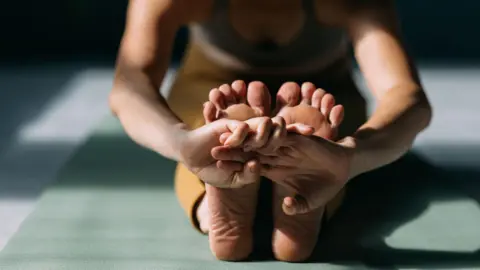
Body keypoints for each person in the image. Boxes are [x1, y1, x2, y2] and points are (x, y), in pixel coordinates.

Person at [109, 0, 432, 262]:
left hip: (322, 93)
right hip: (214, 86)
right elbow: (130, 87)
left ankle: (219, 196)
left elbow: (406, 98)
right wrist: (180, 141)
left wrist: (350, 155)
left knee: (322, 145)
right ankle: (301, 204)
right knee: (209, 131)